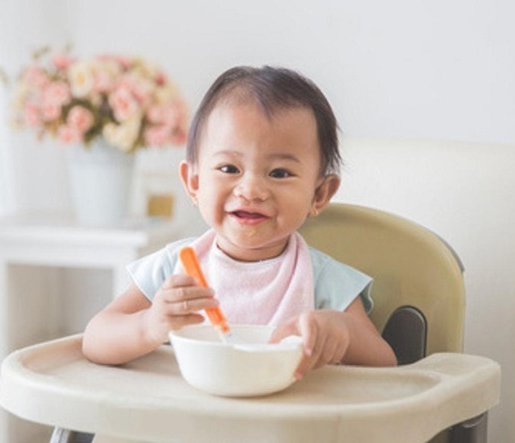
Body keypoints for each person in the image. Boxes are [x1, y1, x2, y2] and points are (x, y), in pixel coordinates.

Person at [82, 66, 397, 377]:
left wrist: (341, 331)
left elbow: (385, 362)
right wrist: (149, 324)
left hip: (286, 425)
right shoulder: (174, 270)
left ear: (319, 194)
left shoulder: (322, 278)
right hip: (185, 422)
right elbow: (95, 339)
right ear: (194, 182)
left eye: (279, 173)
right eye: (229, 169)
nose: (252, 190)